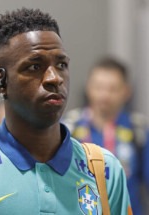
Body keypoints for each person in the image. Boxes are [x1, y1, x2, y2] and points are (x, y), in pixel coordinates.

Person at [0, 8, 132, 214]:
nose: (54, 78)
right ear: (0, 83)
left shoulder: (105, 169)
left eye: (61, 64)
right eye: (34, 67)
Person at [62, 57, 148, 215]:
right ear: (88, 87)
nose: (104, 95)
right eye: (99, 87)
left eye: (113, 89)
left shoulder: (139, 131)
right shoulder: (68, 128)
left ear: (126, 91)